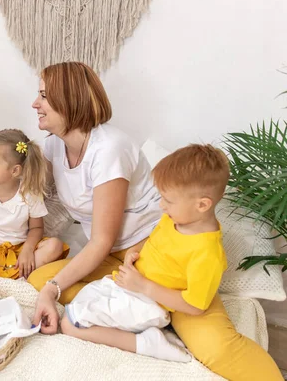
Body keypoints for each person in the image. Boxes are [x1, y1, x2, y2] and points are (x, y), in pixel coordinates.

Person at [28, 62, 283, 380]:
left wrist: (53, 291)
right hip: (122, 259)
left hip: (160, 262)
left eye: (43, 96)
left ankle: (160, 315)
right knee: (40, 280)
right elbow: (43, 198)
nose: (35, 104)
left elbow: (101, 240)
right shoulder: (55, 146)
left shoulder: (109, 148)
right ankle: (147, 318)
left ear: (70, 100)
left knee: (217, 348)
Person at [62, 144, 231, 363]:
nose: (161, 206)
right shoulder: (174, 219)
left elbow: (195, 306)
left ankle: (146, 344)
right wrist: (135, 253)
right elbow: (156, 243)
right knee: (79, 302)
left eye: (168, 200)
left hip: (150, 304)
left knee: (71, 324)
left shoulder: (207, 253)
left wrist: (143, 286)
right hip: (131, 286)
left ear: (202, 205)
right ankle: (148, 336)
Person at [0, 129, 67, 279]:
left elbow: (37, 228)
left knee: (55, 246)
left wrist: (27, 249)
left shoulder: (30, 196)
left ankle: (17, 273)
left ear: (14, 171)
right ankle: (12, 276)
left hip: (20, 251)